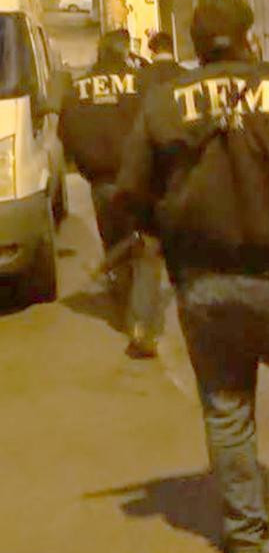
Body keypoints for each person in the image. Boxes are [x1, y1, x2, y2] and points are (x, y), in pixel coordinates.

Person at [115, 0, 269, 553]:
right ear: (249, 38)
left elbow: (129, 192)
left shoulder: (163, 104)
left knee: (227, 405)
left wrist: (162, 232)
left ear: (196, 45)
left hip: (202, 288)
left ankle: (246, 536)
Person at [58, 28, 162, 358]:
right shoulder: (141, 84)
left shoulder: (76, 91)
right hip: (139, 180)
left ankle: (125, 307)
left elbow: (66, 136)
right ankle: (140, 325)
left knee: (116, 244)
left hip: (101, 184)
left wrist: (86, 167)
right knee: (144, 249)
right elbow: (160, 124)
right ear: (124, 53)